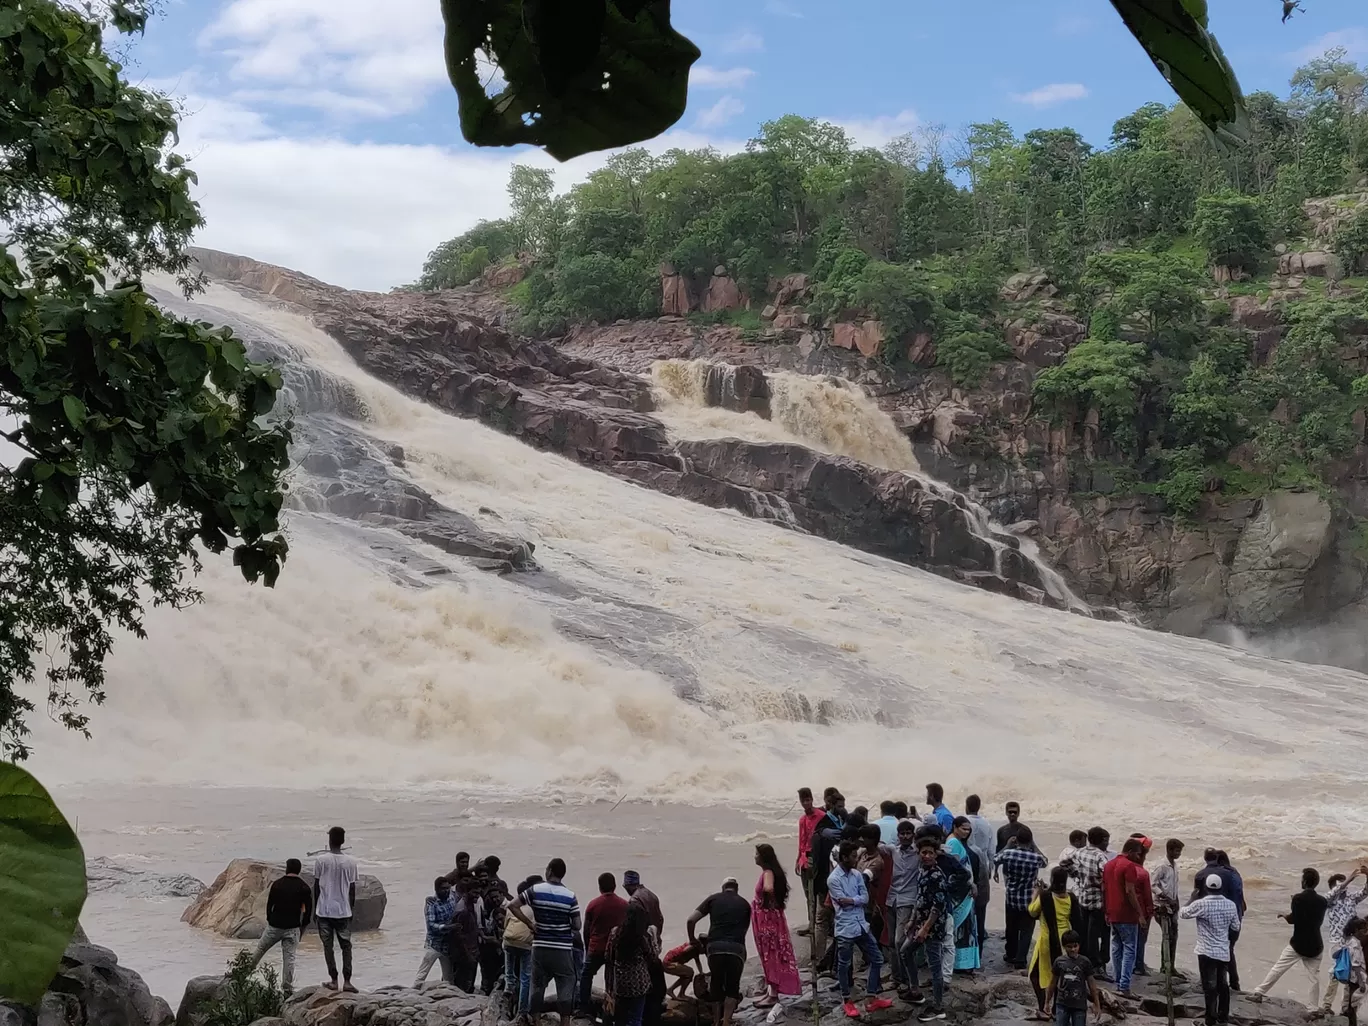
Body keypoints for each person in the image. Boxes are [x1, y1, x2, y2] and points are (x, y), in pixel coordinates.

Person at [509, 859, 582, 1026]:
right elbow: (577, 925)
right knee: (565, 985)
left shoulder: (534, 890)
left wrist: (530, 924)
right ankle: (565, 1022)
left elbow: (513, 906)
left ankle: (536, 1021)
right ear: (562, 874)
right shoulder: (570, 896)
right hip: (562, 949)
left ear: (549, 871)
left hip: (540, 947)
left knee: (537, 985)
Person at [827, 840, 893, 1018]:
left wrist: (852, 900)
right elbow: (841, 901)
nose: (856, 859)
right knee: (844, 965)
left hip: (861, 924)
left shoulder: (857, 875)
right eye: (853, 857)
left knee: (877, 959)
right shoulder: (833, 879)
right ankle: (846, 1000)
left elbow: (864, 898)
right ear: (843, 858)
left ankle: (871, 997)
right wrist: (853, 900)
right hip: (845, 927)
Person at [1252, 867, 1328, 1009]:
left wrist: (1287, 912)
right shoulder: (1323, 901)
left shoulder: (1298, 898)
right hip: (1316, 945)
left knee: (1278, 968)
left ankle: (1259, 992)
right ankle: (1313, 1008)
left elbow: (1293, 920)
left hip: (1298, 944)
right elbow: (1311, 918)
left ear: (1304, 882)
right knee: (1313, 979)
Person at [687, 878, 752, 1026]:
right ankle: (727, 1022)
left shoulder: (713, 899)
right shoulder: (745, 904)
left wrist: (693, 940)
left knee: (716, 983)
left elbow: (691, 920)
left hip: (715, 948)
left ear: (723, 888)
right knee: (732, 987)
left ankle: (716, 1022)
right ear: (737, 889)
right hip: (737, 948)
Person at [901, 838, 950, 1022]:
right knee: (905, 951)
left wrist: (925, 929)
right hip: (920, 923)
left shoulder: (937, 876)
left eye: (930, 852)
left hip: (933, 927)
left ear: (936, 853)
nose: (927, 855)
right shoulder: (922, 871)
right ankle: (915, 990)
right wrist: (912, 921)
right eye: (924, 852)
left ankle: (938, 1006)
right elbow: (919, 898)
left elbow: (938, 906)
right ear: (919, 854)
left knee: (934, 966)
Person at [1181, 875, 1242, 1026]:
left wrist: (1191, 899)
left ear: (1206, 888)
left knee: (1209, 987)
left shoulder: (1201, 904)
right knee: (1223, 985)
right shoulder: (1231, 905)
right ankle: (1223, 1017)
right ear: (1220, 888)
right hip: (1222, 950)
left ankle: (1210, 1020)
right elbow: (1236, 927)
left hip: (1205, 951)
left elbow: (1183, 913)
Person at [249, 859, 312, 995]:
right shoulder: (304, 887)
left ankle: (242, 974)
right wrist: (301, 930)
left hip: (274, 926)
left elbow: (269, 905)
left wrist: (270, 919)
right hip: (293, 927)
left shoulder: (277, 885)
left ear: (286, 869)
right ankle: (287, 990)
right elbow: (307, 914)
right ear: (299, 870)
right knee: (289, 959)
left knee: (260, 949)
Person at [753, 843, 802, 1007]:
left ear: (763, 857)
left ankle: (773, 994)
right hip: (774, 917)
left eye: (757, 854)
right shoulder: (775, 872)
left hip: (767, 921)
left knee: (770, 955)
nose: (755, 857)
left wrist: (764, 903)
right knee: (772, 954)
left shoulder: (768, 873)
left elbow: (768, 888)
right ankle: (771, 990)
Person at [1102, 838, 1152, 996]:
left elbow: (1104, 888)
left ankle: (1118, 982)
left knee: (1116, 947)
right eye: (1137, 854)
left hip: (1112, 911)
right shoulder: (1129, 866)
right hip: (1127, 913)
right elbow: (1130, 891)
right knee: (1130, 948)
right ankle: (1124, 986)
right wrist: (1140, 914)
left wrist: (1106, 910)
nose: (1139, 857)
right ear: (1130, 851)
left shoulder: (1109, 864)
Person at [313, 826, 359, 993]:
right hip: (343, 911)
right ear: (343, 841)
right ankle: (347, 981)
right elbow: (352, 889)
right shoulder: (351, 862)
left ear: (329, 840)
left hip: (324, 910)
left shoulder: (321, 860)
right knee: (346, 946)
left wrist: (314, 909)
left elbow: (316, 886)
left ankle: (334, 980)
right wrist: (351, 909)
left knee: (328, 947)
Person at [1318, 867, 1368, 1018]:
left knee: (1352, 975)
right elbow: (1331, 894)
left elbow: (1365, 892)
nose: (1345, 888)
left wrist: (1367, 876)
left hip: (1352, 942)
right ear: (1334, 887)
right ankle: (1327, 1005)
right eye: (1341, 885)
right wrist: (1349, 879)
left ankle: (1346, 1008)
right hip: (1337, 943)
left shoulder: (1351, 899)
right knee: (1336, 972)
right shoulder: (1330, 902)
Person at [995, 828, 1048, 970]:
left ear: (1016, 840)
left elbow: (995, 859)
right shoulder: (1035, 858)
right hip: (1028, 899)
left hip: (1011, 897)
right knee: (1026, 930)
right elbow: (1045, 861)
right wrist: (1034, 846)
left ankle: (1010, 954)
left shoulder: (1008, 854)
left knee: (1011, 928)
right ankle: (1021, 959)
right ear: (1030, 841)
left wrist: (1007, 845)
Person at [1062, 827, 1111, 977]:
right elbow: (1108, 877)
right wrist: (1098, 882)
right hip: (1097, 901)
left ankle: (1086, 960)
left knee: (1085, 932)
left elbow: (1064, 863)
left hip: (1083, 898)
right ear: (1102, 841)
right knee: (1095, 934)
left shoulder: (1079, 852)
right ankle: (1096, 965)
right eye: (1107, 841)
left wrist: (1077, 876)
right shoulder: (1100, 857)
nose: (1107, 844)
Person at [1029, 868, 1076, 1021]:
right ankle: (1056, 1010)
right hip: (1064, 942)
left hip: (1046, 942)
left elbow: (1032, 911)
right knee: (1058, 978)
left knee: (1035, 975)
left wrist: (1036, 891)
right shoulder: (1071, 898)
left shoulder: (1045, 897)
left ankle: (1044, 1008)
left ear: (1052, 880)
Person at [580, 872, 629, 1016]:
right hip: (615, 950)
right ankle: (615, 1009)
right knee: (614, 979)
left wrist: (588, 947)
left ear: (600, 887)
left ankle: (583, 1007)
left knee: (586, 975)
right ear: (614, 886)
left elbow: (586, 930)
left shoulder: (593, 904)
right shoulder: (625, 905)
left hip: (596, 948)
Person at [605, 902, 659, 1026]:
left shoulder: (615, 933)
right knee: (636, 1018)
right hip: (639, 983)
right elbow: (653, 958)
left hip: (620, 983)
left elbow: (608, 957)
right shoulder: (642, 937)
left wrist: (609, 986)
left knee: (620, 1018)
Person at [889, 819, 924, 998]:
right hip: (892, 899)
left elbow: (945, 852)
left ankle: (907, 980)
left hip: (908, 900)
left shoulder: (918, 854)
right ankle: (897, 977)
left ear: (913, 835)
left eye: (908, 833)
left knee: (900, 941)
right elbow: (872, 847)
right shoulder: (892, 850)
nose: (904, 836)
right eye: (902, 833)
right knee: (891, 942)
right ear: (898, 835)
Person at [947, 817, 983, 973]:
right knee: (963, 926)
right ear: (955, 827)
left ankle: (963, 963)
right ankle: (962, 964)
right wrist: (970, 884)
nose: (967, 832)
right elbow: (956, 870)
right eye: (963, 829)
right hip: (961, 893)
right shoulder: (953, 843)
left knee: (964, 926)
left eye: (969, 829)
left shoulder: (956, 842)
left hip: (964, 891)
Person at [1046, 930, 1101, 1026]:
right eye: (1069, 947)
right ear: (1064, 946)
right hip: (1062, 1004)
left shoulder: (1085, 962)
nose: (1073, 949)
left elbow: (1092, 985)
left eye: (1075, 946)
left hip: (1079, 1005)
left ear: (1079, 945)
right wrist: (1047, 1002)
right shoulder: (1059, 962)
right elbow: (1052, 983)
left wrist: (1097, 1005)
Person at [504, 876, 539, 1023]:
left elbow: (505, 925)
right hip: (525, 946)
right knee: (525, 978)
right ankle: (522, 1010)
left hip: (509, 942)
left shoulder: (510, 906)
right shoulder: (532, 909)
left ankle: (508, 986)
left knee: (510, 967)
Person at [1150, 839, 1184, 977]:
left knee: (1173, 936)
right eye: (1177, 851)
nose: (1179, 854)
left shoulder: (1174, 866)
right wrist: (1165, 897)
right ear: (1169, 850)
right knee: (1167, 936)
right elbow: (1153, 885)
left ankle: (1171, 966)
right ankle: (1165, 967)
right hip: (1161, 906)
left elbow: (1174, 886)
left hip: (1172, 905)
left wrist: (1176, 901)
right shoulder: (1162, 866)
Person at [415, 876, 457, 988]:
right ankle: (414, 991)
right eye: (443, 889)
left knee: (448, 978)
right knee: (422, 974)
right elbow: (431, 925)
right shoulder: (431, 903)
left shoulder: (452, 897)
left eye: (448, 888)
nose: (446, 891)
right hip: (434, 944)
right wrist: (447, 927)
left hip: (447, 945)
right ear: (437, 889)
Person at [964, 796, 995, 950]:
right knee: (981, 906)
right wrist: (991, 868)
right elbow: (991, 850)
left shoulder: (962, 821)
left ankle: (967, 948)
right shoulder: (986, 824)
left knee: (967, 908)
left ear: (966, 806)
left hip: (966, 864)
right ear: (979, 806)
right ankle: (979, 945)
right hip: (982, 865)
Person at [473, 861, 506, 995]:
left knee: (498, 969)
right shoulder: (477, 894)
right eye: (480, 876)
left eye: (485, 876)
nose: (483, 879)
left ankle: (494, 990)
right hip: (485, 940)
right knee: (487, 969)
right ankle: (487, 990)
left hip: (497, 939)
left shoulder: (497, 889)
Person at [796, 788, 826, 933]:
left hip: (816, 858)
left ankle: (820, 923)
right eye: (803, 801)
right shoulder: (802, 819)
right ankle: (811, 924)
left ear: (812, 799)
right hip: (804, 860)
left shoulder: (821, 816)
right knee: (808, 893)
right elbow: (801, 841)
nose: (806, 803)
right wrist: (798, 860)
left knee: (818, 893)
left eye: (808, 800)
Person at [661, 935, 705, 999]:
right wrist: (677, 962)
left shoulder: (695, 951)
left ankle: (671, 990)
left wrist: (701, 973)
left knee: (686, 975)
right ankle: (681, 994)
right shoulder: (693, 947)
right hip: (668, 963)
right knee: (690, 972)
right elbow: (684, 950)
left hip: (668, 962)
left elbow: (698, 962)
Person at [624, 871, 664, 938]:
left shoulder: (634, 900)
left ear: (628, 886)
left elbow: (634, 925)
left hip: (643, 942)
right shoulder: (652, 895)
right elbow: (660, 919)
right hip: (655, 939)